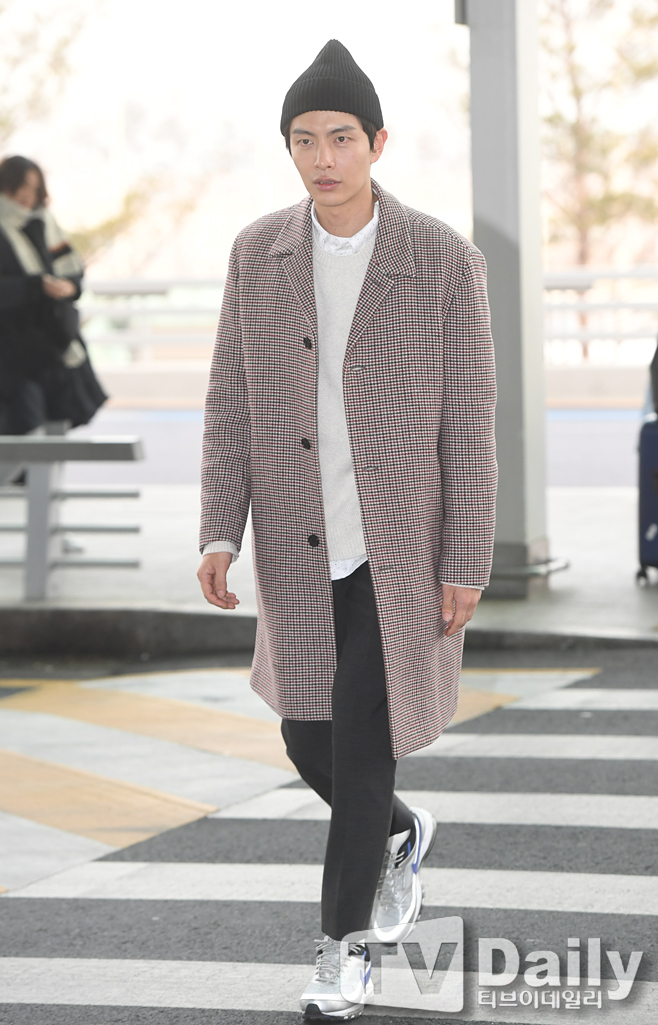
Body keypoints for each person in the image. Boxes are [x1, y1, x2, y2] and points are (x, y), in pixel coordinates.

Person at [198, 40, 497, 1021]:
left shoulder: (442, 258)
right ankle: (402, 832)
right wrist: (218, 530)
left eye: (339, 138)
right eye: (303, 140)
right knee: (307, 738)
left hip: (397, 549)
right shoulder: (257, 253)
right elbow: (229, 402)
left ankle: (344, 951)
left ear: (377, 143)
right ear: (287, 148)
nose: (322, 157)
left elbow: (471, 420)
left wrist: (466, 556)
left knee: (364, 744)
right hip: (297, 540)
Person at [0, 155, 107, 439]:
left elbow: (71, 268)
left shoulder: (43, 222)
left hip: (53, 347)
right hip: (12, 355)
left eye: (35, 188)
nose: (28, 195)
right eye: (23, 186)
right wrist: (37, 286)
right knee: (24, 431)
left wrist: (68, 286)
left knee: (57, 426)